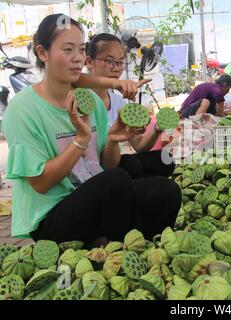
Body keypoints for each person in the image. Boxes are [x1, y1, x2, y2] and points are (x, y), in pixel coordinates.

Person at [2, 14, 181, 245]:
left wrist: (114, 140)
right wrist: (81, 139)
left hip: (93, 199)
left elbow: (108, 164)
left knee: (166, 191)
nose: (77, 58)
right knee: (116, 180)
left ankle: (141, 249)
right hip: (52, 217)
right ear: (42, 53)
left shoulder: (91, 101)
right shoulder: (22, 109)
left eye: (81, 49)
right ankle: (118, 255)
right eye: (67, 50)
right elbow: (41, 183)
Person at [86, 33, 175, 178]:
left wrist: (157, 129)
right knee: (129, 165)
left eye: (120, 62)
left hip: (113, 165)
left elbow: (139, 146)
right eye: (109, 61)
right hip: (91, 172)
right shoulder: (79, 100)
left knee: (165, 160)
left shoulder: (118, 102)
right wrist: (112, 139)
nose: (116, 68)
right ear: (89, 62)